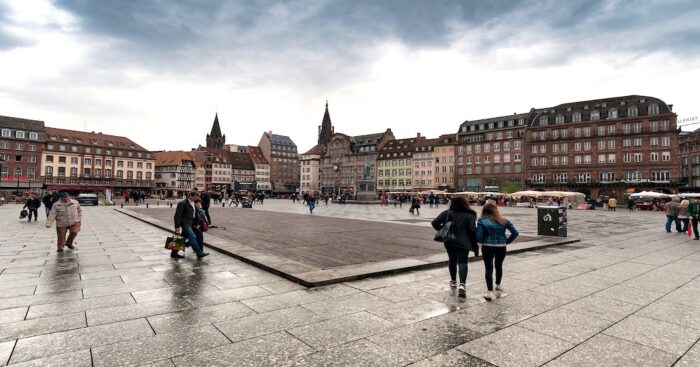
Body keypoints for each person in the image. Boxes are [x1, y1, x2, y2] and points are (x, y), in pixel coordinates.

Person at [431, 196, 478, 298]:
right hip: (464, 241)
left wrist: (443, 229)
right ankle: (462, 285)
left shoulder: (447, 213)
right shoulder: (470, 215)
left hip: (449, 240)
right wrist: (475, 243)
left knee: (452, 260)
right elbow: (472, 231)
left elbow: (434, 223)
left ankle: (453, 281)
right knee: (462, 262)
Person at [476, 203, 519, 301]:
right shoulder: (504, 220)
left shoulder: (482, 220)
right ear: (496, 210)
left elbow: (478, 236)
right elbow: (515, 233)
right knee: (499, 265)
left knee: (488, 267)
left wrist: (483, 241)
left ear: (485, 211)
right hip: (501, 246)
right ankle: (498, 284)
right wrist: (506, 241)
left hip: (488, 246)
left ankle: (490, 291)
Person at [173, 191, 209, 259]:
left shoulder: (192, 203)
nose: (196, 198)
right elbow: (177, 215)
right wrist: (177, 226)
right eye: (195, 197)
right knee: (192, 237)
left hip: (191, 224)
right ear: (190, 196)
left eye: (197, 197)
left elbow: (194, 215)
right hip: (185, 224)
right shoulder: (182, 203)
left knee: (182, 239)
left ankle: (174, 253)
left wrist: (196, 223)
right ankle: (199, 253)